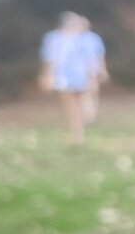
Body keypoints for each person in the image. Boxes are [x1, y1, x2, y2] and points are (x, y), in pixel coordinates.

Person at [40, 12, 98, 145]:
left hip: (74, 76)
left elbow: (90, 60)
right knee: (72, 105)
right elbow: (50, 60)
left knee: (75, 104)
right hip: (65, 76)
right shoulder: (56, 39)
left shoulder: (80, 39)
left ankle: (78, 132)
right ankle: (78, 133)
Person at [79, 16, 108, 124]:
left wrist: (103, 69)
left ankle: (91, 114)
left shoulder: (94, 38)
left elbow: (100, 55)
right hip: (79, 70)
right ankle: (86, 115)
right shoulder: (74, 39)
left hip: (92, 69)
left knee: (92, 92)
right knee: (84, 93)